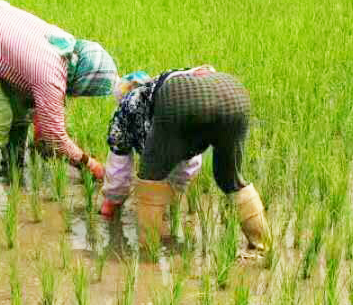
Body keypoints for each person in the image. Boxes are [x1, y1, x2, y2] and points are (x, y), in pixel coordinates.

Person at [0, 0, 114, 180]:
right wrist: (90, 164)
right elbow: (55, 138)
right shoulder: (51, 75)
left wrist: (40, 123)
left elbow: (33, 91)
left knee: (20, 108)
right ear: (83, 82)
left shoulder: (64, 48)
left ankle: (13, 171)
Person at [98, 66, 271, 249]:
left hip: (183, 98)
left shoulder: (127, 107)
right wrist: (175, 189)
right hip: (234, 92)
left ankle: (148, 251)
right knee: (230, 179)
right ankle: (264, 245)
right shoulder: (164, 82)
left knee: (149, 177)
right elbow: (189, 156)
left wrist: (111, 202)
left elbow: (119, 169)